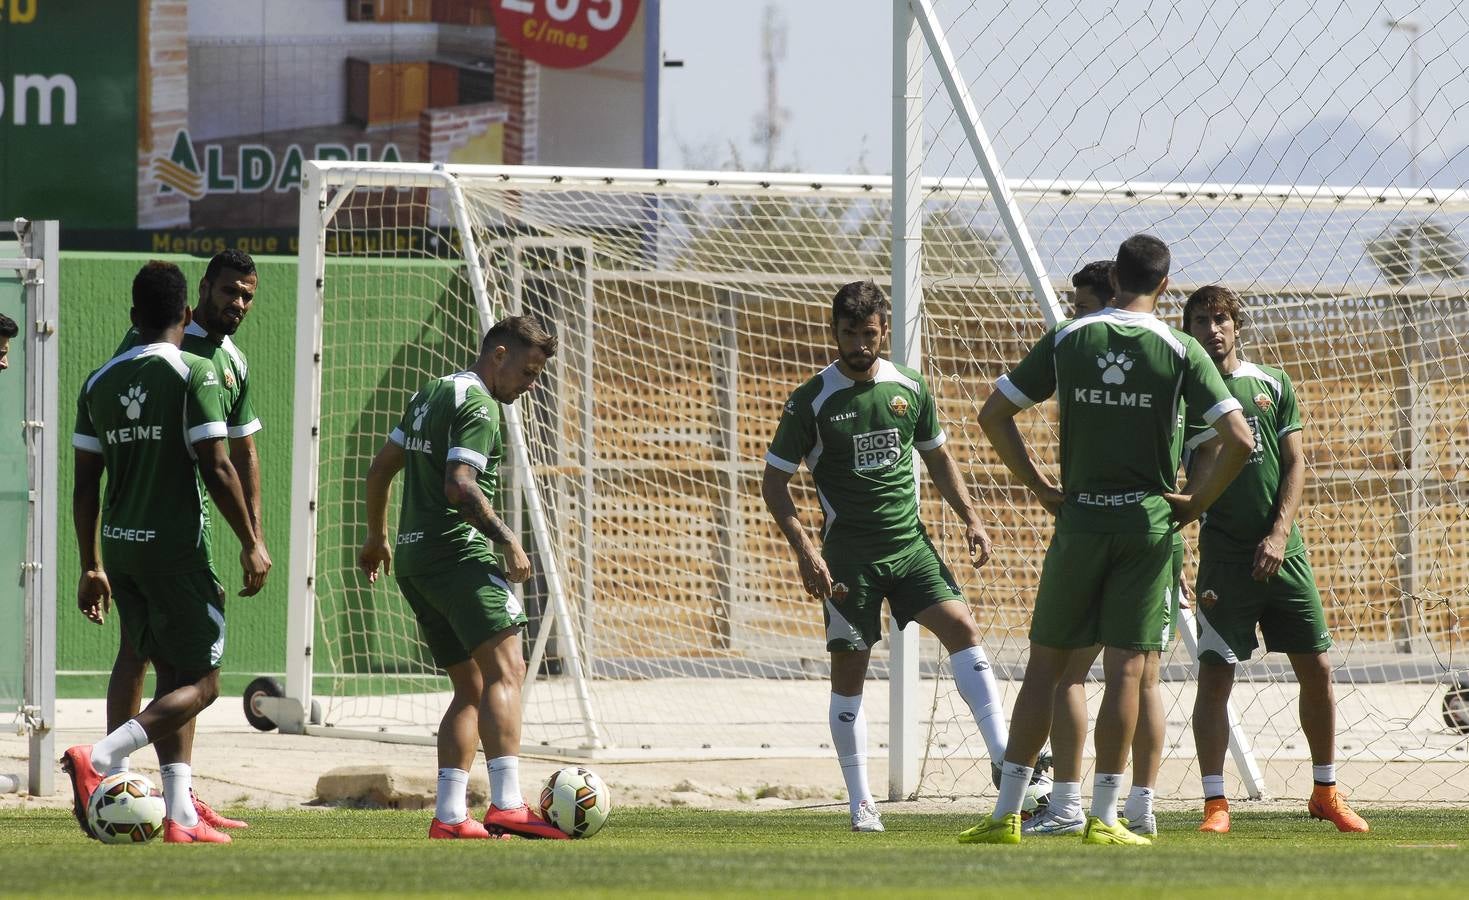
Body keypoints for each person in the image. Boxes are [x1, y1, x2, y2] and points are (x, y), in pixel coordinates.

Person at [963, 234, 1253, 846]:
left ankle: (1006, 816)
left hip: (1081, 521)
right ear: (1166, 287)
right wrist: (1195, 504)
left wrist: (1041, 486)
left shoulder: (1073, 336)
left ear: (1116, 279)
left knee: (1046, 667)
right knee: (1128, 673)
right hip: (1147, 525)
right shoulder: (1179, 349)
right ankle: (1105, 816)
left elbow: (992, 414)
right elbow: (1240, 439)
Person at [762, 280, 1047, 834]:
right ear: (834, 332)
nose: (860, 346)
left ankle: (1002, 757)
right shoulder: (811, 400)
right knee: (850, 673)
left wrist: (972, 518)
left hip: (909, 545)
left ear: (883, 331)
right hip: (849, 558)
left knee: (963, 626)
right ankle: (862, 801)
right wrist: (804, 552)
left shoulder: (910, 389)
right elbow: (774, 485)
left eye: (869, 335)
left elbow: (939, 459)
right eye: (849, 334)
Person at [63, 261, 271, 844]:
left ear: (135, 316)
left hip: (120, 548)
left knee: (168, 666)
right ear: (190, 306)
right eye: (228, 291)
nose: (238, 302)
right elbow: (218, 462)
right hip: (177, 547)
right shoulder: (193, 370)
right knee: (200, 682)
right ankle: (105, 764)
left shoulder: (100, 379)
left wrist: (91, 564)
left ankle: (179, 811)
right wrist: (251, 540)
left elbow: (85, 484)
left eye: (247, 294)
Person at [358, 314, 565, 840]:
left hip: (413, 559)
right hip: (457, 554)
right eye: (528, 371)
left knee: (470, 686)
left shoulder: (433, 391)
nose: (531, 384)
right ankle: (508, 803)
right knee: (506, 672)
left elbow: (381, 466)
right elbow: (460, 486)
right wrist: (508, 539)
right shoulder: (478, 404)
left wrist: (377, 537)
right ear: (499, 355)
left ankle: (450, 815)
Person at [1181, 285, 1367, 833]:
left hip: (1284, 552)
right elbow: (1182, 482)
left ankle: (1326, 791)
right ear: (1187, 328)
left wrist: (1280, 533)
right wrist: (1176, 553)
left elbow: (1294, 462)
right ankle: (1216, 805)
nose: (1212, 329)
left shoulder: (1271, 384)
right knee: (1215, 676)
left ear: (1237, 325)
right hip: (1222, 557)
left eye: (1220, 319)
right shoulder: (1183, 396)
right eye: (1199, 320)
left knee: (1317, 668)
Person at [1023, 260, 1188, 838]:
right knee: (1108, 672)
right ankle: (1095, 808)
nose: (1081, 320)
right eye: (1075, 310)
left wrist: (1187, 516)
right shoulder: (1152, 357)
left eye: (1085, 307)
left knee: (1124, 674)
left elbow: (1214, 445)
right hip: (1132, 532)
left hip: (1137, 536)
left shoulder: (1151, 358)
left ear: (1114, 294)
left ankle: (1120, 805)